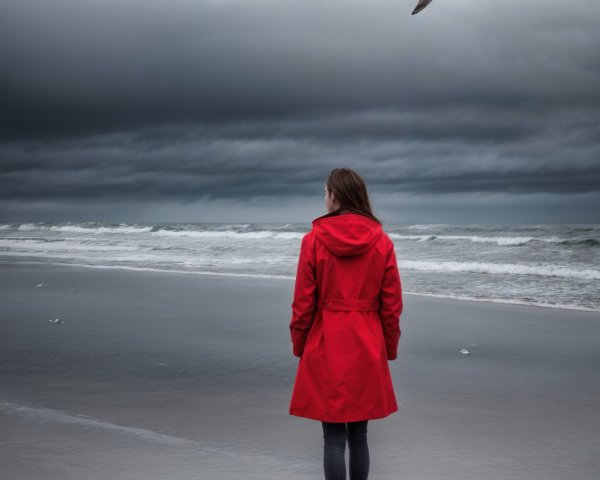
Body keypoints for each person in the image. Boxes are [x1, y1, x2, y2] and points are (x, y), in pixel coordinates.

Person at [288, 168, 404, 480]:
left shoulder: (313, 240)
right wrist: (388, 349)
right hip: (367, 343)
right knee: (359, 437)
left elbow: (302, 304)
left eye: (325, 193)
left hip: (326, 342)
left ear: (334, 196)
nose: (324, 198)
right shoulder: (382, 242)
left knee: (333, 438)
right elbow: (392, 306)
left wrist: (300, 346)